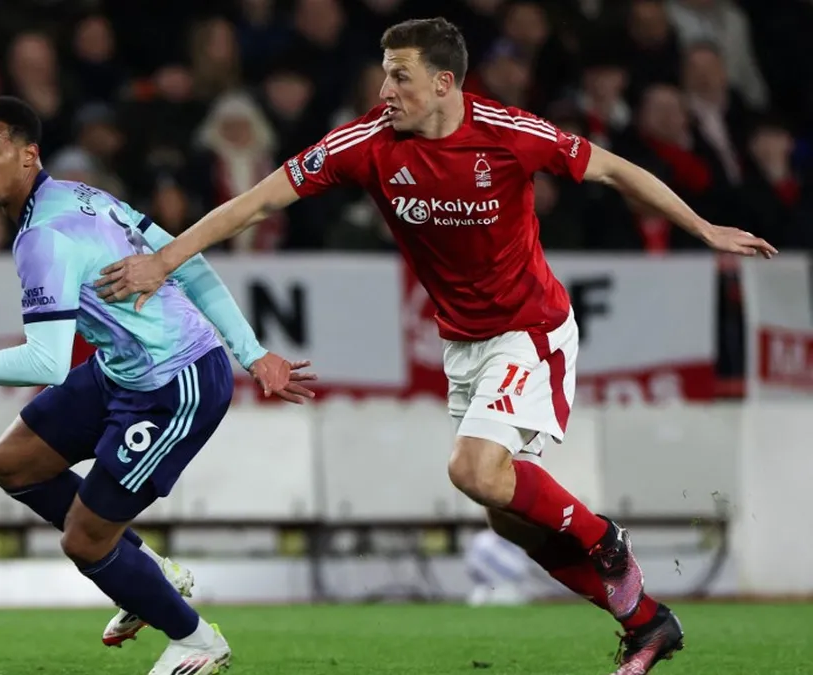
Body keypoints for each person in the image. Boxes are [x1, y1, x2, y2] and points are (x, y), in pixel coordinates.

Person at [95, 17, 777, 675]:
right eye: (385, 75)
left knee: (473, 470)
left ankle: (605, 540)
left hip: (530, 330)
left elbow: (614, 170)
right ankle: (646, 620)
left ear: (445, 82)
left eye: (400, 77)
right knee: (509, 518)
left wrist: (703, 227)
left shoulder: (508, 134)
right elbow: (259, 201)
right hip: (465, 344)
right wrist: (165, 260)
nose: (384, 91)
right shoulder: (365, 141)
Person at [0, 96, 316, 675]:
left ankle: (196, 640)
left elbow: (47, 363)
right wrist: (253, 351)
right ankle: (147, 572)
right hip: (120, 371)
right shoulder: (84, 196)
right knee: (12, 463)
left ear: (28, 155)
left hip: (176, 384)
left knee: (85, 542)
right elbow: (185, 261)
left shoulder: (44, 236)